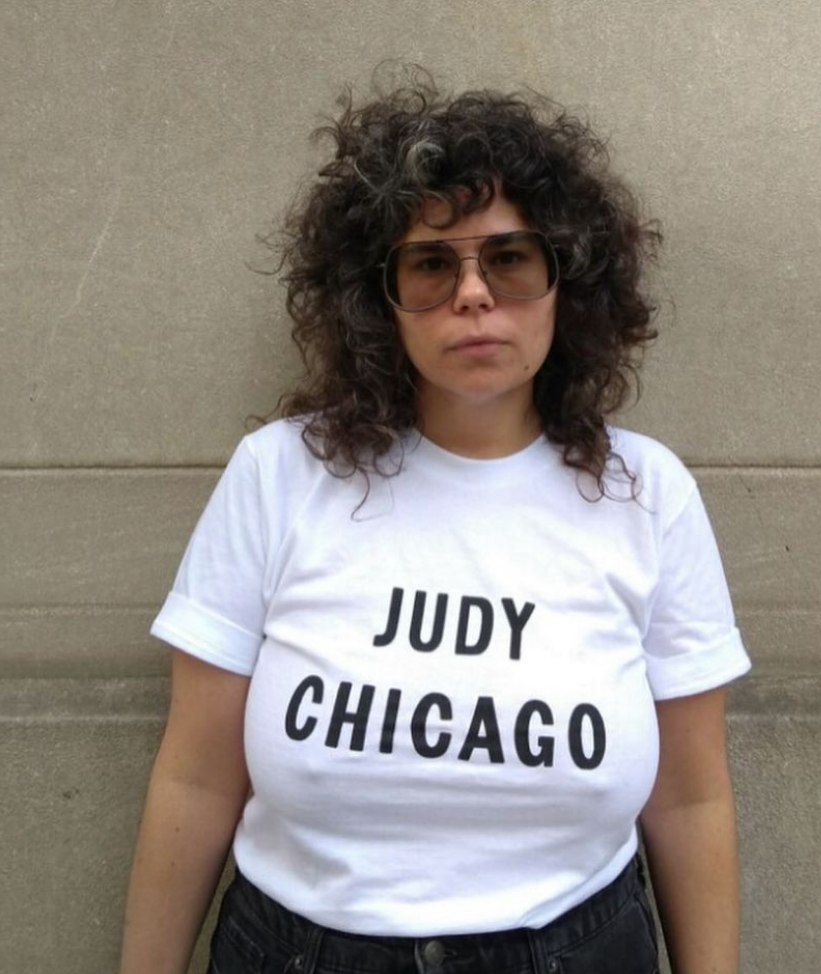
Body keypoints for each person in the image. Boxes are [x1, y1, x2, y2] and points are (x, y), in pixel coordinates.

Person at [119, 71, 751, 974]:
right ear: (377, 299)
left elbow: (690, 800)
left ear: (567, 281)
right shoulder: (281, 475)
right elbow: (196, 775)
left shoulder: (645, 494)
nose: (472, 294)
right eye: (430, 263)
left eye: (510, 258)